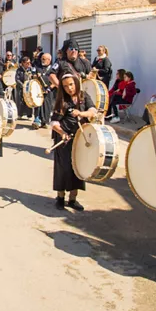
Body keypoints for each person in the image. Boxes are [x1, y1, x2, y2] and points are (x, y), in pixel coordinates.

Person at [50, 74, 97, 211]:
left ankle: (72, 199)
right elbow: (53, 122)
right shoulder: (62, 100)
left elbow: (93, 110)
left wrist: (82, 114)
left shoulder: (83, 96)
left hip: (80, 138)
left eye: (71, 84)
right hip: (65, 139)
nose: (69, 88)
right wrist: (63, 134)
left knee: (78, 168)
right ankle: (60, 197)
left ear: (76, 83)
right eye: (65, 86)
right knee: (64, 168)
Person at [33, 53, 56, 129]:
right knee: (38, 104)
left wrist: (49, 88)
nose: (42, 60)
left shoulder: (53, 69)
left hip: (49, 90)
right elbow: (33, 76)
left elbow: (55, 81)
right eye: (41, 59)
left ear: (49, 60)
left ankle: (45, 121)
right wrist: (35, 76)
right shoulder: (38, 67)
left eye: (44, 59)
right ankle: (37, 120)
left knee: (47, 105)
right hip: (39, 90)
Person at [15, 56, 34, 120]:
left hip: (29, 88)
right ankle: (20, 114)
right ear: (23, 63)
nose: (28, 64)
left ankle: (29, 115)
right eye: (27, 63)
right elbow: (17, 79)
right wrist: (22, 85)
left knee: (29, 100)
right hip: (21, 87)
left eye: (29, 63)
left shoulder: (30, 69)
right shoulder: (19, 70)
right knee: (21, 101)